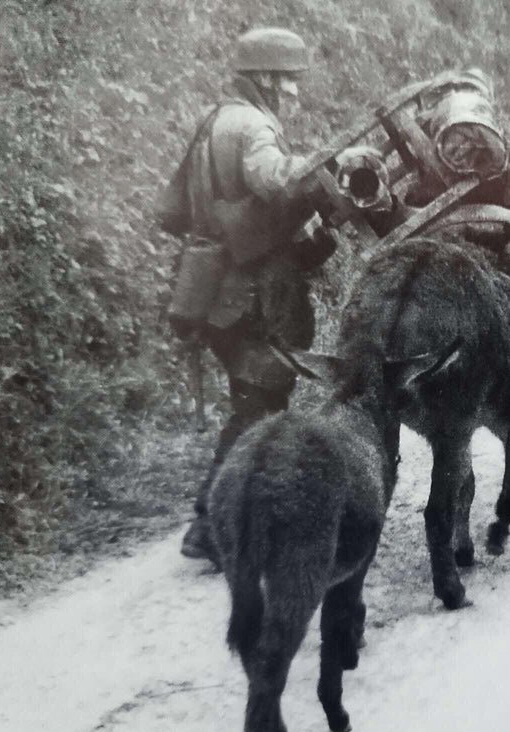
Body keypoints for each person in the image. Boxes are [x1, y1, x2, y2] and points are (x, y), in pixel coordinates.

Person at [160, 28, 336, 565]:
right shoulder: (254, 126)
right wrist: (327, 168)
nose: (294, 93)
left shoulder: (215, 118)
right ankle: (212, 526)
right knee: (257, 404)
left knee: (254, 402)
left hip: (212, 285)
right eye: (288, 81)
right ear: (263, 78)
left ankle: (224, 521)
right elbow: (275, 181)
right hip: (249, 292)